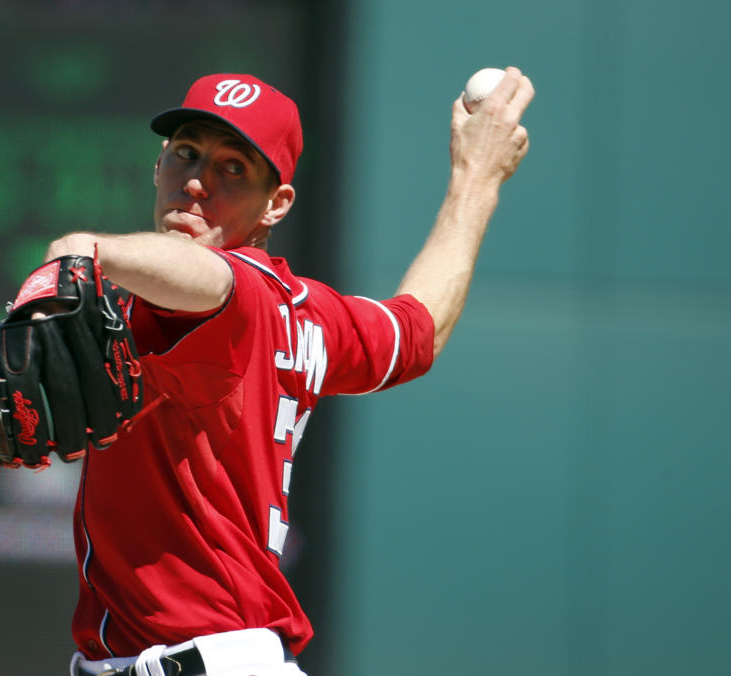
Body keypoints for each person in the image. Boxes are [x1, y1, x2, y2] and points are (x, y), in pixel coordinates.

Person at [47, 71, 534, 676]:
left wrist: (89, 248)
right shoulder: (311, 314)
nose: (196, 183)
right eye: (186, 153)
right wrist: (475, 180)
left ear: (275, 204)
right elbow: (418, 330)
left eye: (233, 169)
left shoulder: (233, 292)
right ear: (158, 164)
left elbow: (209, 279)